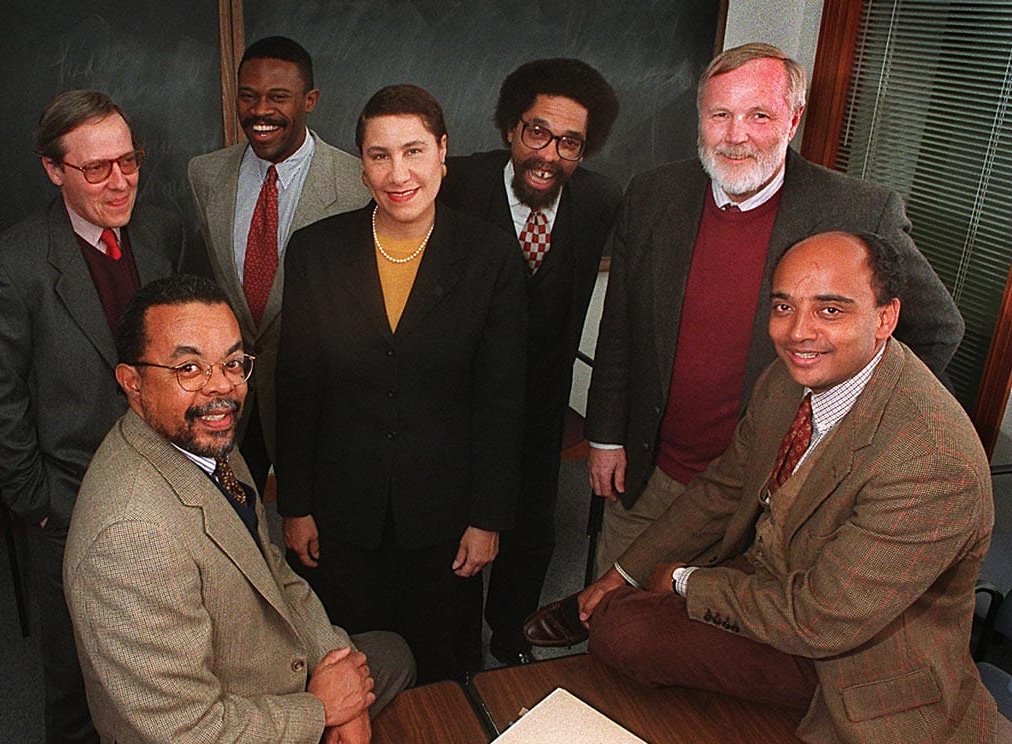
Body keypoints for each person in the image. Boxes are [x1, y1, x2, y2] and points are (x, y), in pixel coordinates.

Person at [526, 231, 996, 744]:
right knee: (619, 609)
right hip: (780, 583)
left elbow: (821, 620)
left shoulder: (931, 457)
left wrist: (680, 582)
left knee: (620, 633)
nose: (798, 332)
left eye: (830, 309)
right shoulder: (786, 381)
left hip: (848, 655)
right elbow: (722, 490)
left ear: (885, 318)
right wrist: (620, 573)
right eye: (783, 307)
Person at [584, 43, 965, 576]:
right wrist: (604, 435)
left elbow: (937, 330)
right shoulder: (652, 194)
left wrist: (839, 434)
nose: (736, 135)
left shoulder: (858, 211)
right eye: (720, 115)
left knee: (715, 643)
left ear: (793, 120)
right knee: (614, 613)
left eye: (759, 115)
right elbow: (620, 326)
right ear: (701, 118)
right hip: (652, 474)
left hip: (773, 494)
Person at [64, 275, 415, 744]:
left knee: (392, 654)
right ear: (132, 383)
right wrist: (322, 710)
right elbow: (189, 732)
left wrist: (342, 683)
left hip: (262, 672)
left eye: (232, 362)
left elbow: (274, 572)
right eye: (188, 368)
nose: (222, 387)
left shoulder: (208, 442)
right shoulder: (131, 537)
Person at [276, 85, 527, 683]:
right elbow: (297, 389)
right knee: (350, 666)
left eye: (413, 151)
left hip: (445, 514)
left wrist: (488, 517)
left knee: (442, 667)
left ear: (443, 152)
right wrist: (296, 506)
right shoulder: (316, 251)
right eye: (379, 155)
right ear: (360, 163)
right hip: (342, 511)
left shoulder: (488, 254)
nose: (398, 174)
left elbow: (502, 398)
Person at [0, 89, 185, 744]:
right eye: (97, 169)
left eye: (129, 161)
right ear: (53, 170)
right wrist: (43, 508)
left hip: (172, 483)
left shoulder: (163, 227)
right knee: (77, 674)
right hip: (73, 498)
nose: (120, 182)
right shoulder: (9, 266)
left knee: (173, 647)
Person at [439, 58, 620, 665]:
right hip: (455, 402)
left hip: (542, 402)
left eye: (570, 142)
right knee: (454, 524)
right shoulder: (455, 184)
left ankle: (508, 632)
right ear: (509, 129)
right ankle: (456, 643)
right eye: (537, 132)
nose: (549, 153)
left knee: (532, 530)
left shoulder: (599, 200)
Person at [188, 36, 371, 491]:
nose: (259, 110)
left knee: (314, 534)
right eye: (248, 96)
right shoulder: (205, 174)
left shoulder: (358, 184)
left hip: (316, 398)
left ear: (310, 100)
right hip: (228, 394)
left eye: (277, 97)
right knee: (229, 519)